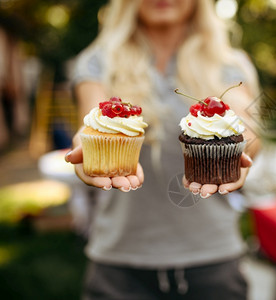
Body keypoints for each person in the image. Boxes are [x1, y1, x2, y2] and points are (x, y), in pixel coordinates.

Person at [64, 0, 261, 299]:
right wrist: (85, 148)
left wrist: (241, 152)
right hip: (119, 264)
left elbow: (247, 129)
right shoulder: (97, 61)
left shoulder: (229, 62)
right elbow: (92, 124)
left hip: (213, 260)